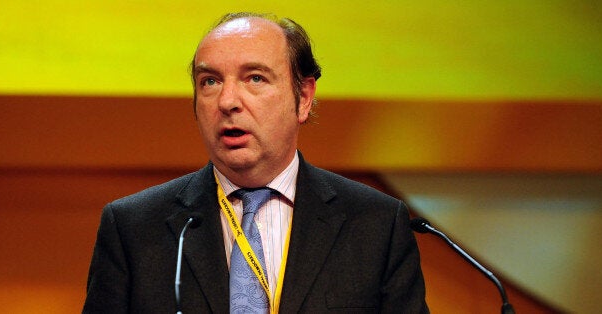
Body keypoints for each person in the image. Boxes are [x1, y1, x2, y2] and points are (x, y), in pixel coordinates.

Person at [83, 12, 428, 313]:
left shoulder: (376, 224)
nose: (227, 101)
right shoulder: (133, 227)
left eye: (255, 78)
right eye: (210, 82)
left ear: (303, 98)